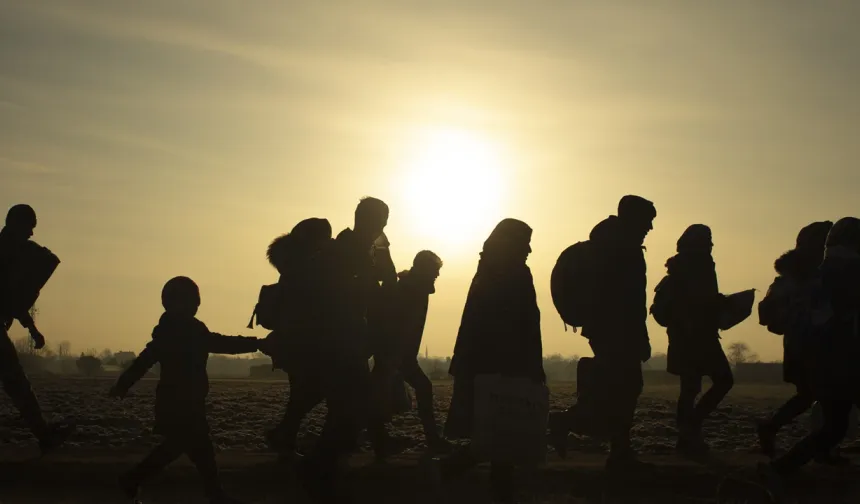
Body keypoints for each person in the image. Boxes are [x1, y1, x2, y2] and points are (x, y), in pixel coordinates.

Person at [110, 276, 268, 504]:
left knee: (194, 449)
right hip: (181, 403)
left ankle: (137, 480)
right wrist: (258, 344)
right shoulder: (186, 331)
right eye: (192, 301)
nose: (196, 306)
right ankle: (134, 479)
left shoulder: (171, 332)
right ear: (175, 303)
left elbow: (143, 362)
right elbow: (221, 343)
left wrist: (123, 385)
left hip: (180, 401)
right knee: (187, 447)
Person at [438, 219, 545, 504]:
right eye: (524, 243)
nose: (529, 249)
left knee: (495, 432)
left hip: (487, 364)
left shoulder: (488, 271)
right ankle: (458, 471)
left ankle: (458, 471)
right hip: (505, 365)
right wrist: (531, 366)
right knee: (500, 432)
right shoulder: (513, 274)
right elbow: (523, 325)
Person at [758, 217, 860, 498]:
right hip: (844, 359)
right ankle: (780, 464)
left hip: (822, 359)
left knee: (833, 424)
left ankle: (781, 467)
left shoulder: (820, 274)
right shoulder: (847, 272)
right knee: (831, 422)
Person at [298, 197, 391, 503]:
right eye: (382, 221)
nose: (384, 227)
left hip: (344, 342)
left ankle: (323, 473)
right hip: (341, 344)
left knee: (348, 412)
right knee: (347, 412)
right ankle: (319, 474)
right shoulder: (349, 252)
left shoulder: (350, 249)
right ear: (374, 222)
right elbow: (373, 288)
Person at [579, 195, 656, 472]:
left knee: (620, 389)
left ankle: (618, 449)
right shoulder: (622, 249)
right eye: (648, 220)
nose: (650, 227)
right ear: (634, 218)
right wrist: (641, 337)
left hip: (607, 329)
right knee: (626, 388)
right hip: (618, 330)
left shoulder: (610, 245)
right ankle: (616, 450)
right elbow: (629, 300)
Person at [756, 221, 841, 462]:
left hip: (810, 343)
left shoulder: (808, 275)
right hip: (808, 344)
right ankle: (816, 449)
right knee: (822, 395)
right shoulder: (799, 279)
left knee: (811, 394)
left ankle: (775, 429)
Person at [0, 204, 75, 454]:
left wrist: (32, 329)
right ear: (16, 224)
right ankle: (44, 436)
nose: (32, 233)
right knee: (16, 383)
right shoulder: (8, 253)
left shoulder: (16, 253)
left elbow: (12, 299)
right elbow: (11, 297)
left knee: (16, 383)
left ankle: (44, 435)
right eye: (30, 227)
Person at [653, 224, 732, 456]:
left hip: (688, 336)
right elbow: (696, 302)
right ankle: (690, 430)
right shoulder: (697, 267)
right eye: (707, 240)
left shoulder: (685, 266)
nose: (710, 244)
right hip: (695, 336)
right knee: (721, 381)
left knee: (690, 389)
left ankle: (686, 435)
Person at [366, 250, 450, 461]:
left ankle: (382, 441)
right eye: (435, 271)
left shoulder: (413, 287)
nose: (437, 276)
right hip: (395, 353)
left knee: (381, 396)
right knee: (380, 397)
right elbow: (396, 324)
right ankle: (425, 439)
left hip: (399, 354)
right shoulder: (409, 290)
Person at [262, 218, 333, 461]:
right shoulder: (306, 268)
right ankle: (283, 436)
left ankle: (285, 440)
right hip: (302, 342)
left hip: (293, 341)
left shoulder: (294, 267)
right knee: (314, 391)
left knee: (301, 394)